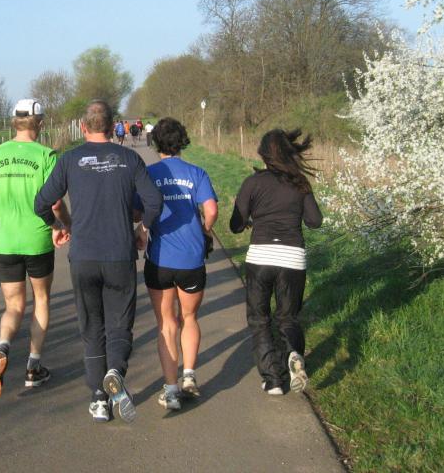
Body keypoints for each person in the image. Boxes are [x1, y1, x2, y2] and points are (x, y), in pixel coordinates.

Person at [35, 100, 163, 424]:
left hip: (84, 256)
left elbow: (41, 203)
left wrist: (57, 227)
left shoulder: (69, 160)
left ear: (82, 127)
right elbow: (154, 201)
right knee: (120, 324)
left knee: (92, 327)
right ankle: (115, 371)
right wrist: (143, 229)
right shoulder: (129, 158)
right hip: (119, 254)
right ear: (112, 125)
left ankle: (98, 399)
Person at [0, 99, 70, 399]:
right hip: (36, 239)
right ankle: (33, 368)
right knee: (41, 299)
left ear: (13, 122)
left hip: (3, 240)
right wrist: (63, 224)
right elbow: (55, 203)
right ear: (40, 123)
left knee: (13, 305)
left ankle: (2, 347)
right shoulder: (46, 156)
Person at [229, 128, 322, 395]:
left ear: (263, 154)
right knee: (287, 317)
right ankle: (293, 353)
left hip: (261, 257)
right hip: (292, 258)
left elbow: (235, 225)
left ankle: (273, 380)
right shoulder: (300, 183)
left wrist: (249, 220)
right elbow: (315, 221)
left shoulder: (252, 183)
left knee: (259, 319)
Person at [134, 118, 218, 410]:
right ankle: (189, 376)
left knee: (166, 324)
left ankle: (170, 390)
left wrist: (141, 226)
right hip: (191, 258)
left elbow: (137, 211)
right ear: (182, 141)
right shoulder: (197, 173)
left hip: (160, 259)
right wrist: (205, 230)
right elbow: (211, 209)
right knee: (189, 318)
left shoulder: (149, 174)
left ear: (156, 143)